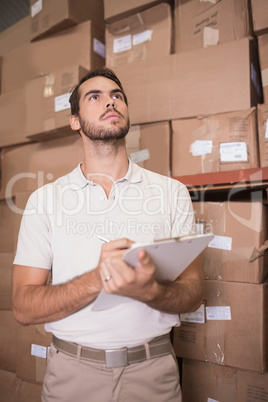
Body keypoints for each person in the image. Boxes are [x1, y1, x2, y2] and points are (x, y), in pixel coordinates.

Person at [12, 67, 203, 402]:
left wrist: (149, 291)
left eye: (117, 96)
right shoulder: (45, 200)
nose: (110, 102)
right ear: (75, 120)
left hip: (153, 373)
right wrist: (97, 279)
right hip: (72, 376)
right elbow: (24, 307)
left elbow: (192, 293)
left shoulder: (172, 193)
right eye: (95, 96)